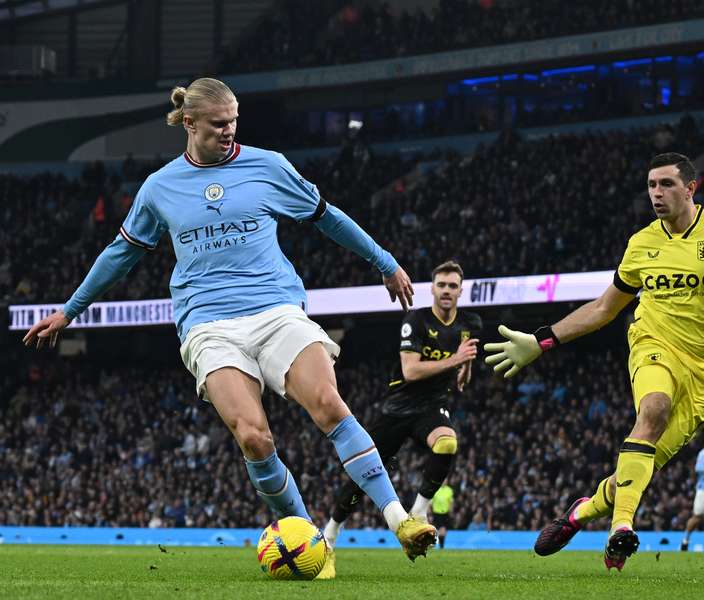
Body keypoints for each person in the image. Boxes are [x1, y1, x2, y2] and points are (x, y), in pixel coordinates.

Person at [22, 78, 436, 576]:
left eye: (234, 121)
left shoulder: (268, 165)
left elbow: (327, 217)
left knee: (328, 403)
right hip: (208, 325)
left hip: (276, 310)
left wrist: (385, 261)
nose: (229, 131)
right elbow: (121, 253)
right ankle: (307, 542)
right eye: (219, 124)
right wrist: (71, 309)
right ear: (190, 123)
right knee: (253, 437)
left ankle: (400, 521)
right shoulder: (159, 187)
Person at [485, 153, 704, 571]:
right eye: (651, 185)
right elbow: (606, 308)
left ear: (690, 188)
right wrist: (543, 341)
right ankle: (620, 528)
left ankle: (583, 511)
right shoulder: (641, 243)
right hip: (654, 343)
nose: (656, 193)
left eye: (666, 184)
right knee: (654, 408)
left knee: (643, 465)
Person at [323, 260, 481, 567]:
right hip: (398, 408)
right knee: (363, 473)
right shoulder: (416, 321)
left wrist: (465, 368)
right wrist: (456, 361)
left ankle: (419, 511)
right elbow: (410, 371)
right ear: (433, 289)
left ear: (461, 291)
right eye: (442, 285)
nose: (447, 291)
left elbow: (466, 353)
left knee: (447, 442)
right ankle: (330, 533)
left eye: (452, 286)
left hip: (431, 408)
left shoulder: (470, 323)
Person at [431, 482, 454, 549]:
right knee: (442, 530)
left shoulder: (449, 490)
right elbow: (431, 502)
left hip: (445, 513)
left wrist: (451, 511)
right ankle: (441, 546)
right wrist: (430, 512)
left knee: (443, 531)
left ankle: (440, 546)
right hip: (437, 513)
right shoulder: (435, 489)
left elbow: (451, 502)